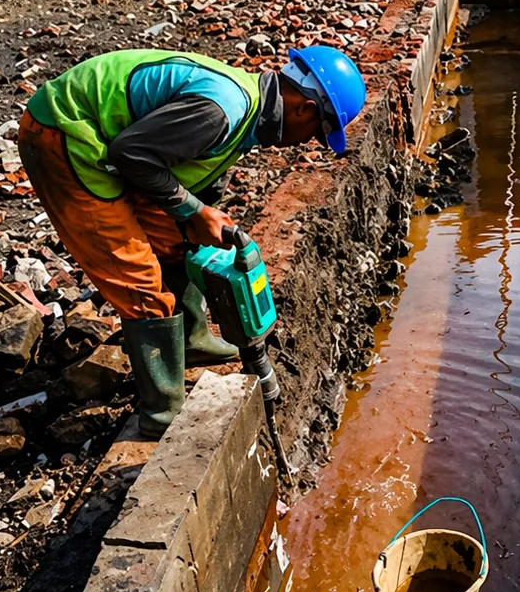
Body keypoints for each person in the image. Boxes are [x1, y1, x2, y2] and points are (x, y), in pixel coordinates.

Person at [18, 45, 366, 436]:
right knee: (140, 283)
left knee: (174, 239)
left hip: (112, 141)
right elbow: (131, 154)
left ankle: (192, 341)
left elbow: (186, 164)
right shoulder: (222, 110)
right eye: (317, 132)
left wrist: (191, 217)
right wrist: (193, 211)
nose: (308, 142)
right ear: (303, 108)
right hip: (66, 134)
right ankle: (163, 416)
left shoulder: (247, 112)